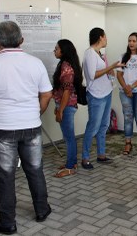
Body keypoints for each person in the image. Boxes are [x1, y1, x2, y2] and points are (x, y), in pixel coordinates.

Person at [0, 21, 52, 234]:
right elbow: (47, 94)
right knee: (35, 170)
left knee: (5, 175)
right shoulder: (35, 62)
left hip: (1, 128)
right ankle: (42, 209)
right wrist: (35, 113)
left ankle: (8, 222)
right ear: (21, 40)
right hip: (31, 127)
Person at [81, 27, 124, 169]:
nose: (107, 39)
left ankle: (101, 154)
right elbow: (93, 75)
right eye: (105, 37)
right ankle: (85, 158)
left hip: (106, 92)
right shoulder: (90, 54)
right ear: (100, 37)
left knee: (104, 125)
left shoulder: (100, 54)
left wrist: (111, 71)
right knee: (93, 126)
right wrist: (110, 66)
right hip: (96, 94)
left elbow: (104, 72)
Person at [52, 39, 83, 177]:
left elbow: (66, 92)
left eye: (57, 48)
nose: (55, 50)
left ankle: (70, 167)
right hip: (66, 105)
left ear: (63, 51)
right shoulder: (65, 64)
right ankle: (72, 162)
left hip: (67, 106)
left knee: (69, 137)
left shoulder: (66, 67)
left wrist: (61, 110)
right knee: (68, 137)